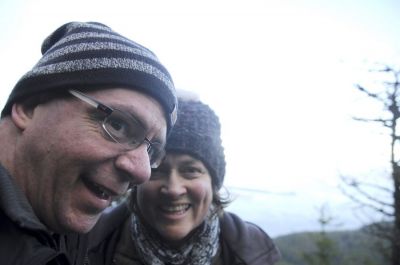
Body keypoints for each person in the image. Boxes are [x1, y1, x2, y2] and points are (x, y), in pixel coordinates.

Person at [0, 21, 177, 265]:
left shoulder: (63, 221)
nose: (142, 171)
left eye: (152, 150)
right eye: (118, 125)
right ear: (30, 107)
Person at [87, 93, 280, 265]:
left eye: (191, 171)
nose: (173, 189)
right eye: (157, 170)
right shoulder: (88, 244)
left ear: (214, 183)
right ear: (137, 177)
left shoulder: (254, 251)